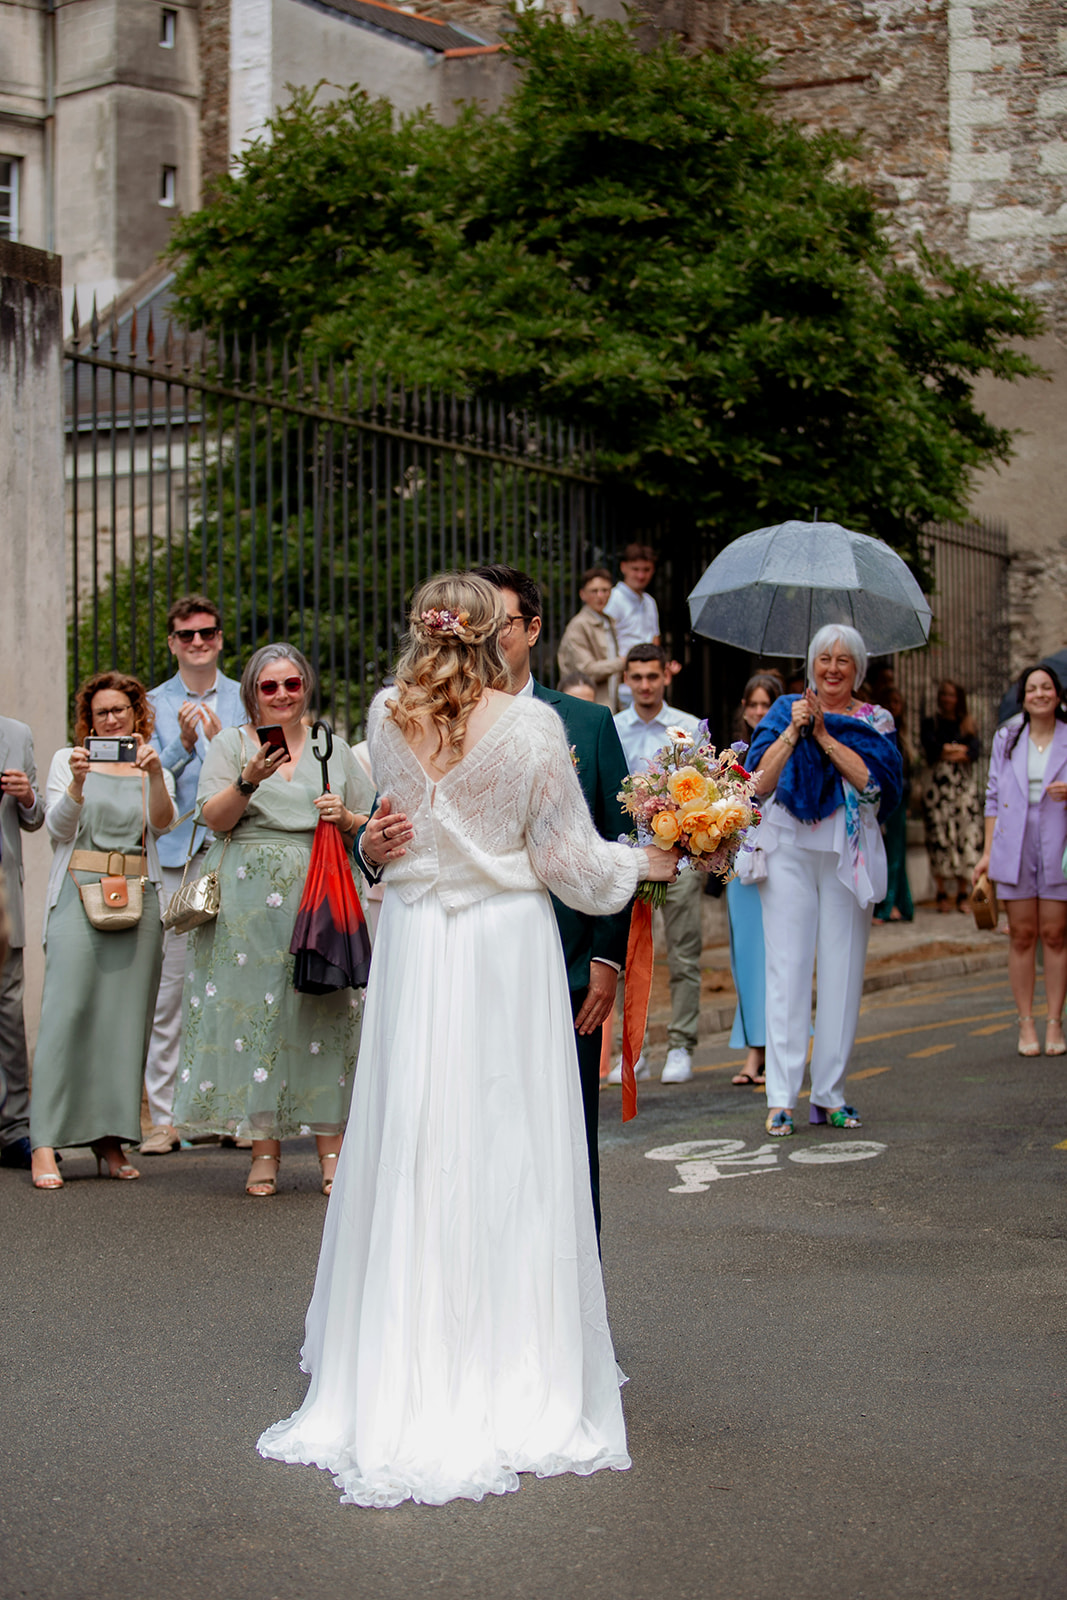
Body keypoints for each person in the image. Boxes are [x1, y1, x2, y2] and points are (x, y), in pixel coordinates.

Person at [257, 572, 678, 1507]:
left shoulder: (380, 714)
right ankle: (510, 1357)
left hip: (417, 940)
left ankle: (398, 1353)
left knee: (414, 1139)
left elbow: (394, 836)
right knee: (506, 1143)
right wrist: (658, 856)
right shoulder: (533, 730)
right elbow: (568, 863)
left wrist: (381, 849)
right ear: (500, 635)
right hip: (501, 948)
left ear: (422, 630)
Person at [171, 643, 375, 1197]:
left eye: (291, 684)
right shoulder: (230, 744)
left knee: (326, 1012)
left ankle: (332, 1151)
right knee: (256, 1022)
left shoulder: (330, 745)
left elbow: (370, 820)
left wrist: (348, 815)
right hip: (246, 907)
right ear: (252, 693)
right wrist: (247, 780)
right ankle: (264, 1152)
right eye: (269, 687)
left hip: (321, 893)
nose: (282, 695)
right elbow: (213, 818)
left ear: (305, 686)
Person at [747, 625, 903, 1137]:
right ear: (810, 664)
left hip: (847, 852)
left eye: (844, 660)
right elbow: (756, 784)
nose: (833, 668)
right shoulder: (784, 710)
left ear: (858, 669)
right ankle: (781, 1099)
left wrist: (824, 736)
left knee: (842, 972)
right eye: (824, 658)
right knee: (786, 970)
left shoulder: (874, 719)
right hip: (788, 846)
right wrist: (794, 731)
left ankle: (829, 1094)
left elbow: (875, 783)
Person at [29, 674, 176, 1189]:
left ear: (137, 714)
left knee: (125, 1022)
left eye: (119, 710)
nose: (110, 719)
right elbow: (57, 829)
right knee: (65, 1015)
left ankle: (110, 1139)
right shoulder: (69, 760)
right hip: (76, 891)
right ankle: (43, 1140)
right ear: (88, 720)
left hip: (139, 894)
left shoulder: (148, 764)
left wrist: (156, 774)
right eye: (100, 713)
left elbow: (163, 824)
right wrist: (76, 782)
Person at [142, 594, 244, 1155]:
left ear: (221, 638)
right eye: (187, 635)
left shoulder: (245, 696)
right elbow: (151, 784)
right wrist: (182, 747)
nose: (198, 642)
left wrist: (221, 736)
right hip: (181, 856)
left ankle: (226, 1113)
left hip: (231, 851)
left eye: (207, 632)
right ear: (173, 643)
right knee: (172, 990)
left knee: (232, 982)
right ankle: (164, 1119)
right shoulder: (155, 704)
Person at [608, 644, 703, 1085]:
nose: (645, 685)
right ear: (625, 680)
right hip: (629, 857)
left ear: (666, 676)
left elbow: (706, 790)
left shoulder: (686, 727)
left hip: (679, 859)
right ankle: (632, 1051)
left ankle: (682, 1045)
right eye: (637, 677)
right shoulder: (611, 726)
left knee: (683, 954)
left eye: (652, 676)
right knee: (624, 958)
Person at [973, 664, 1067, 1058]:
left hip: (1058, 841)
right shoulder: (1006, 737)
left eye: (1047, 687)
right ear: (1023, 697)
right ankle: (1025, 1021)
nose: (1040, 694)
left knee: (1056, 934)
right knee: (1022, 934)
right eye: (1032, 688)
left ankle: (1054, 1022)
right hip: (1014, 842)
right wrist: (988, 852)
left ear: (1058, 695)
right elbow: (992, 795)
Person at [726, 674, 780, 1088]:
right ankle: (753, 1052)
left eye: (768, 705)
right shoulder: (728, 756)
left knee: (778, 957)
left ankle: (777, 1049)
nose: (759, 712)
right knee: (746, 960)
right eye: (754, 704)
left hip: (782, 861)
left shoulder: (792, 748)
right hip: (742, 866)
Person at [0, 714, 45, 1169]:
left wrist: (27, 796)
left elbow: (35, 819)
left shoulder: (16, 735)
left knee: (8, 1015)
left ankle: (14, 1128)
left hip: (2, 893)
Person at [921, 680, 983, 912]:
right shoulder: (931, 723)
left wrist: (950, 750)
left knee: (964, 836)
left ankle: (962, 893)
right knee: (940, 836)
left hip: (961, 790)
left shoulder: (967, 723)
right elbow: (933, 749)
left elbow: (973, 752)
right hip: (938, 790)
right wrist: (957, 750)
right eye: (943, 694)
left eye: (951, 694)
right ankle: (941, 892)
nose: (946, 699)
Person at [603, 543, 680, 705]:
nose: (640, 575)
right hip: (624, 683)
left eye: (646, 570)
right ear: (623, 567)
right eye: (635, 569)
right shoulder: (613, 599)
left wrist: (662, 665)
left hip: (650, 679)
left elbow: (655, 640)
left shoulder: (649, 601)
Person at [556, 567, 626, 711]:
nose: (600, 595)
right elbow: (587, 670)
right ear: (582, 594)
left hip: (611, 702)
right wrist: (622, 663)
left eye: (605, 590)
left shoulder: (609, 621)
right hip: (588, 705)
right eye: (594, 591)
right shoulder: (579, 625)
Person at [874, 686, 915, 923]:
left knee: (897, 854)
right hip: (881, 798)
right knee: (887, 851)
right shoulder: (879, 732)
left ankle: (894, 905)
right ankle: (892, 904)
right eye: (891, 701)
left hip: (900, 799)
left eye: (898, 701)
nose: (895, 706)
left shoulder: (904, 734)